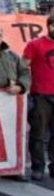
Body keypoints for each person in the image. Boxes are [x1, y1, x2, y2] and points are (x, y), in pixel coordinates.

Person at [22, 13, 54, 181]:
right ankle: (38, 167)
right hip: (41, 96)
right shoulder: (35, 45)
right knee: (38, 135)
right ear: (48, 26)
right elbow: (23, 65)